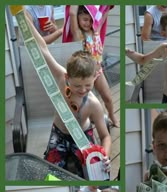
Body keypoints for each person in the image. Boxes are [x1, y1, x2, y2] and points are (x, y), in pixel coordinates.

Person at [24, 11, 111, 179]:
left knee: (91, 176)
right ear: (67, 77)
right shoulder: (60, 76)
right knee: (50, 174)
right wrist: (23, 18)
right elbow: (42, 48)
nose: (83, 89)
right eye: (77, 85)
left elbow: (105, 135)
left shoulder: (94, 104)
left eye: (88, 85)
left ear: (95, 77)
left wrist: (105, 155)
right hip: (59, 133)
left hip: (83, 136)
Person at [64, 5, 119, 127]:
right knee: (88, 102)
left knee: (108, 97)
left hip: (97, 72)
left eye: (90, 20)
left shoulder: (96, 30)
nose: (88, 23)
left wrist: (107, 6)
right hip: (83, 76)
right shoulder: (78, 35)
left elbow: (104, 14)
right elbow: (72, 13)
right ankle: (87, 122)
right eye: (84, 19)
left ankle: (112, 115)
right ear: (78, 18)